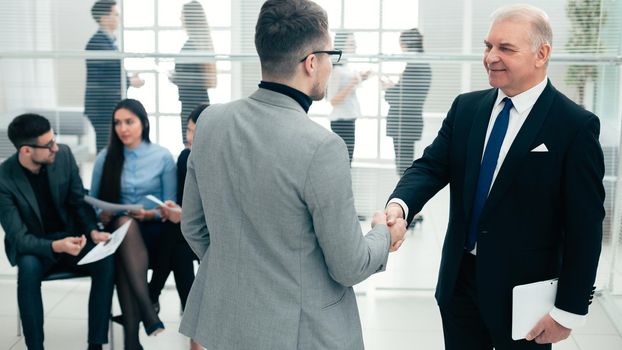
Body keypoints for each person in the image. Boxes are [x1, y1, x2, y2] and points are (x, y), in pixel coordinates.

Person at [178, 1, 407, 349]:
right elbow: (349, 265)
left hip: (226, 324)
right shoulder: (321, 147)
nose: (331, 65)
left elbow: (193, 227)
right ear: (312, 62)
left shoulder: (210, 121)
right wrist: (382, 233)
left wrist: (239, 271)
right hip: (298, 334)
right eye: (331, 55)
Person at [384, 4, 604, 349]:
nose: (491, 57)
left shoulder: (574, 126)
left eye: (506, 48)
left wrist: (569, 311)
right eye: (488, 46)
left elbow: (585, 225)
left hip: (525, 298)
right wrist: (400, 205)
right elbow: (430, 167)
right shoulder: (467, 108)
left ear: (541, 54)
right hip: (459, 285)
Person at [0, 114, 115, 350]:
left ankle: (96, 344)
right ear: (26, 151)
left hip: (70, 238)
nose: (55, 147)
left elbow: (77, 201)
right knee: (28, 267)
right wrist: (56, 246)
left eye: (54, 140)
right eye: (48, 144)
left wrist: (92, 231)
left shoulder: (63, 155)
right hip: (36, 246)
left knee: (105, 260)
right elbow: (19, 239)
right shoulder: (4, 179)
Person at [90, 99, 175, 350]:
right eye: (118, 123)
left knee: (126, 252)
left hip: (154, 230)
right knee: (124, 226)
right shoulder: (106, 157)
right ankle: (144, 318)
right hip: (119, 230)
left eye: (129, 122)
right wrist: (102, 214)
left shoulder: (162, 156)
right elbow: (94, 200)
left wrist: (150, 215)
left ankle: (133, 339)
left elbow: (170, 206)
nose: (123, 128)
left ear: (144, 123)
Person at [149, 104, 207, 350]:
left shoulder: (223, 161)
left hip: (212, 235)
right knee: (179, 251)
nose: (189, 137)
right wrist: (177, 209)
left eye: (195, 131)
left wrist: (183, 216)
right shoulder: (185, 157)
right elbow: (188, 202)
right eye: (188, 129)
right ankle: (194, 323)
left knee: (176, 237)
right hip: (189, 234)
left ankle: (151, 295)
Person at [85, 0, 144, 153]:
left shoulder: (108, 42)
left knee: (113, 150)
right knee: (107, 151)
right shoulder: (98, 43)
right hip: (102, 108)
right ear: (104, 18)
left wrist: (128, 78)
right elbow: (99, 82)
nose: (119, 18)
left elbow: (109, 73)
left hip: (107, 106)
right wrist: (130, 81)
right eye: (116, 14)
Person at [383, 27, 431, 176]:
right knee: (403, 166)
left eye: (401, 45)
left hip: (404, 123)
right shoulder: (420, 65)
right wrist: (394, 88)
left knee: (403, 168)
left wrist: (389, 90)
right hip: (406, 122)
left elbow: (404, 99)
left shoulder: (416, 66)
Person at [170, 0, 216, 144]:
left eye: (182, 15)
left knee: (192, 147)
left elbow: (208, 80)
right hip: (194, 102)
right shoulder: (198, 43)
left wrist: (176, 78)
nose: (180, 18)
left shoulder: (194, 45)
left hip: (192, 104)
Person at [326, 32, 370, 163]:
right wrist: (353, 82)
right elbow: (332, 100)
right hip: (341, 121)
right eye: (351, 43)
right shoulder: (336, 69)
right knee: (343, 162)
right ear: (342, 45)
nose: (355, 45)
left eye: (354, 42)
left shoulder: (346, 66)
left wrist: (361, 78)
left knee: (347, 161)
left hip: (349, 118)